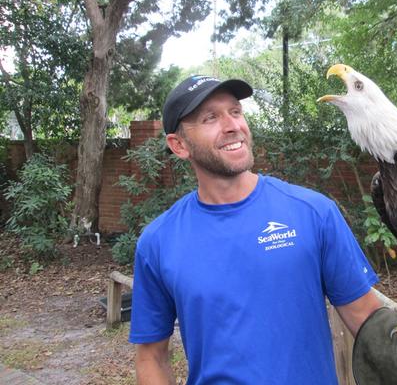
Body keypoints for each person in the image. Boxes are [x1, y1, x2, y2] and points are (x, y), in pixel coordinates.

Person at [129, 75, 383, 385]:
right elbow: (151, 356)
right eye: (210, 117)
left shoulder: (313, 213)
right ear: (179, 145)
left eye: (235, 111)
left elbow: (370, 323)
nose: (232, 124)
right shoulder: (158, 242)